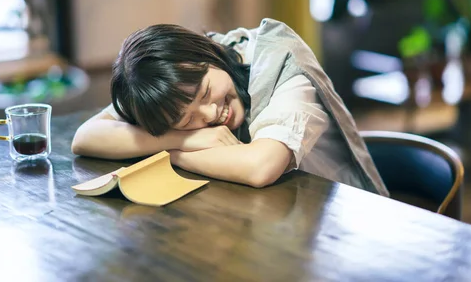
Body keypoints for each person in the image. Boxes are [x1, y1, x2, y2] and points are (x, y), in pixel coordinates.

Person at [72, 18, 388, 196]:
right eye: (186, 119)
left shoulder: (280, 56)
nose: (210, 115)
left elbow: (260, 167)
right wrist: (186, 139)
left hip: (344, 219)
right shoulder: (164, 92)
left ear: (207, 53)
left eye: (206, 91)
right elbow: (85, 137)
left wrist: (172, 152)